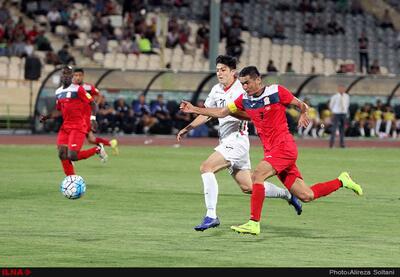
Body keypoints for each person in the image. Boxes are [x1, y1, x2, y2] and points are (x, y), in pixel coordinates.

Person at [180, 66, 363, 235]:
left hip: (284, 147)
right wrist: (194, 109)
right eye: (242, 83)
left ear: (258, 80)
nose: (244, 87)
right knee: (306, 195)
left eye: (247, 83)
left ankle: (253, 222)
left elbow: (302, 105)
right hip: (273, 151)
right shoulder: (244, 99)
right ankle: (342, 181)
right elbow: (222, 112)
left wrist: (303, 114)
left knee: (257, 176)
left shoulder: (276, 91)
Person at [176, 56, 303, 232]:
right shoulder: (216, 90)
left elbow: (251, 115)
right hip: (227, 142)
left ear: (233, 72)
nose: (219, 73)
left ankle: (211, 215)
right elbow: (208, 113)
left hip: (237, 140)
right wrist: (188, 127)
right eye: (217, 69)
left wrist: (228, 113)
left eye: (223, 70)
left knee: (206, 167)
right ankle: (288, 195)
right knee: (249, 187)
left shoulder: (242, 89)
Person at [40, 66, 106, 176]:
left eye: (69, 74)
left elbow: (93, 104)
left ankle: (97, 149)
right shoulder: (58, 92)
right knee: (62, 154)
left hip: (78, 126)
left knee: (73, 156)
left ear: (71, 76)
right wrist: (46, 117)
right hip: (65, 127)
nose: (66, 76)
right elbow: (59, 110)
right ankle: (71, 180)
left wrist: (93, 118)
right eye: (64, 74)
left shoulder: (78, 89)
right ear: (61, 76)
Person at [73, 68, 119, 159]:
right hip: (76, 116)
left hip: (85, 117)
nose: (77, 77)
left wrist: (95, 105)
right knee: (91, 139)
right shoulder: (72, 88)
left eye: (79, 75)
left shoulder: (88, 87)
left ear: (83, 76)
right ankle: (110, 143)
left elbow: (99, 95)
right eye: (75, 75)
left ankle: (72, 155)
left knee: (76, 135)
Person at [329, 84, 350, 148]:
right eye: (340, 88)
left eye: (343, 88)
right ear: (338, 89)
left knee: (342, 129)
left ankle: (342, 144)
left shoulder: (347, 96)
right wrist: (333, 111)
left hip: (343, 113)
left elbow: (347, 104)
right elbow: (331, 105)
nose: (342, 90)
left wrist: (345, 111)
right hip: (336, 113)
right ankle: (331, 144)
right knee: (334, 129)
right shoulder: (335, 96)